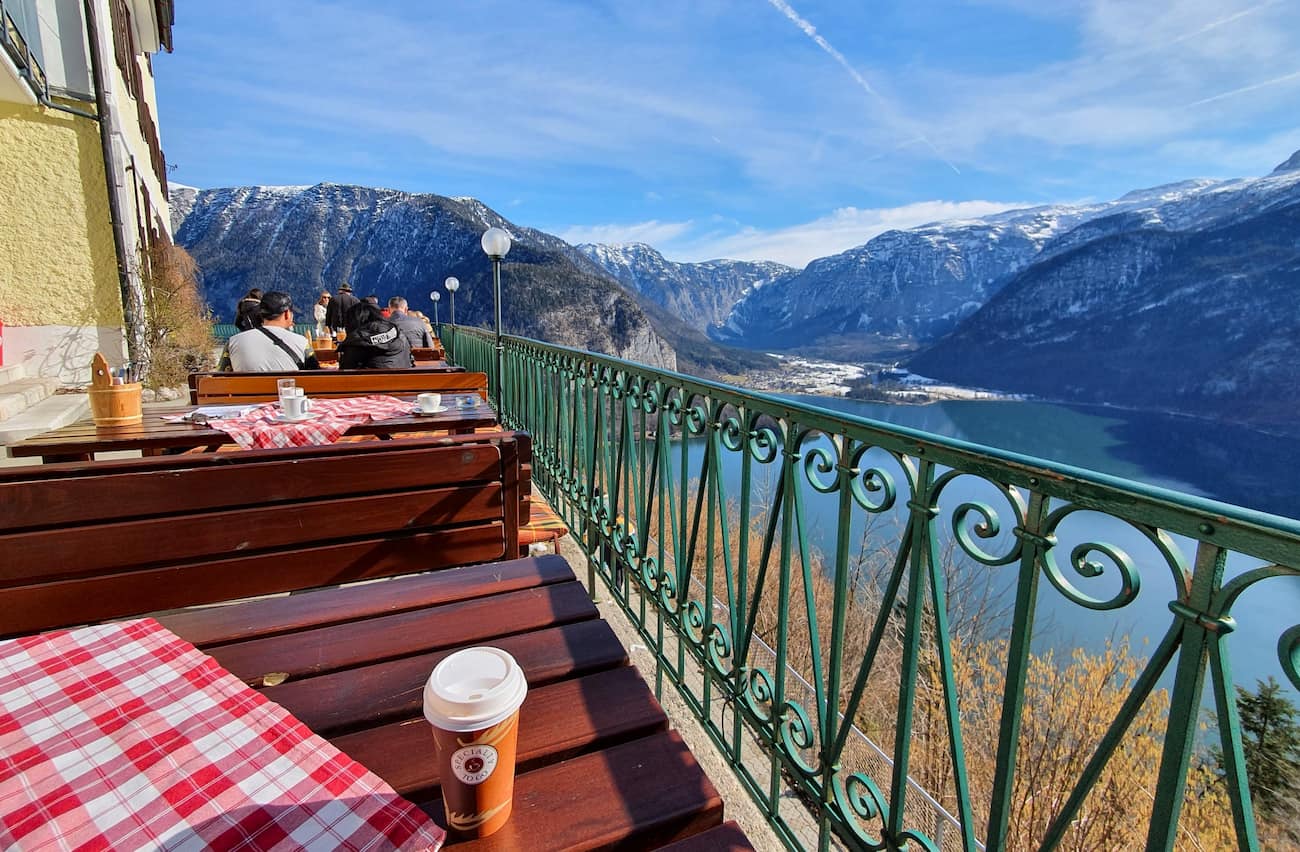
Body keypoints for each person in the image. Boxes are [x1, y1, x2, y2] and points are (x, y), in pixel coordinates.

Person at [226, 291, 320, 371]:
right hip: (286, 391)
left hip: (244, 391)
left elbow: (220, 376)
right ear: (287, 314)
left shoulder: (232, 342)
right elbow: (316, 375)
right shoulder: (302, 342)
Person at [337, 301, 412, 369]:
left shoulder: (358, 340)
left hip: (371, 383)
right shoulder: (398, 333)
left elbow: (346, 369)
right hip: (406, 382)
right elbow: (410, 360)